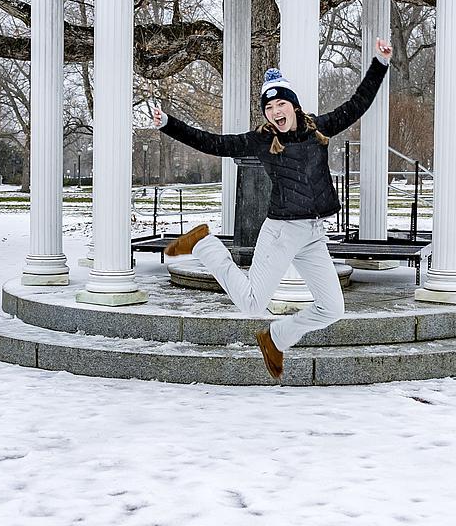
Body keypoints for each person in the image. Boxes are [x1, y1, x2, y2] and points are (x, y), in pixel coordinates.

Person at [150, 38, 393, 380]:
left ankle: (276, 338)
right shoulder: (263, 140)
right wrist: (169, 125)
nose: (276, 112)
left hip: (311, 232)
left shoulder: (318, 129)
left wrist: (379, 64)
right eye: (269, 108)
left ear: (293, 105)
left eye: (281, 104)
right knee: (252, 303)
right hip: (281, 230)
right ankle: (203, 243)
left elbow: (357, 105)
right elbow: (215, 144)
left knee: (332, 308)